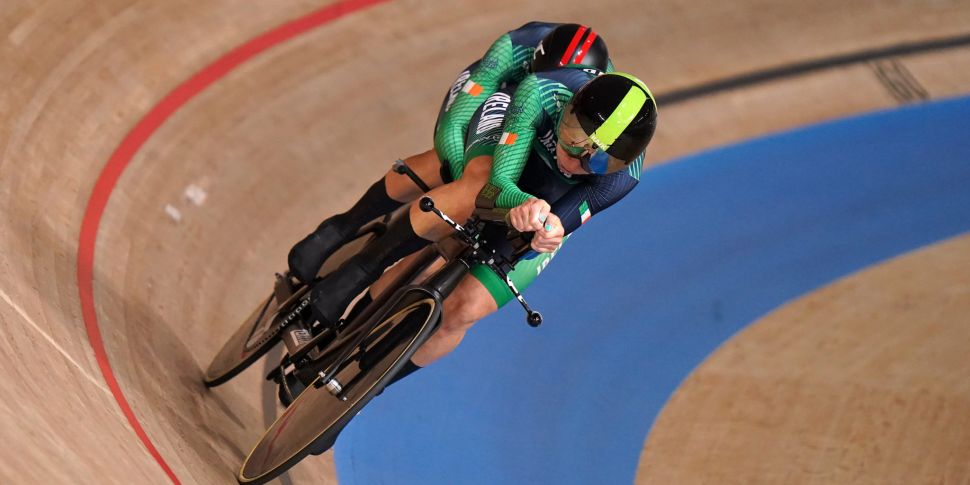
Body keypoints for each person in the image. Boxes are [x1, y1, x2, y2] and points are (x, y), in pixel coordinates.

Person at [303, 70, 658, 394]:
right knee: (474, 191)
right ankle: (358, 273)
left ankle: (365, 391)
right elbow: (498, 185)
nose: (576, 158)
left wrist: (546, 232)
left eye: (596, 160)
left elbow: (555, 227)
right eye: (573, 137)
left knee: (465, 309)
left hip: (547, 198)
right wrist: (520, 203)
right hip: (509, 155)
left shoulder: (621, 179)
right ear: (567, 110)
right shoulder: (543, 92)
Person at [286, 22, 611, 285]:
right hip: (500, 97)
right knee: (460, 172)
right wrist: (465, 186)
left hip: (551, 137)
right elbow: (453, 128)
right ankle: (341, 227)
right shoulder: (516, 48)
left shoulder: (597, 97)